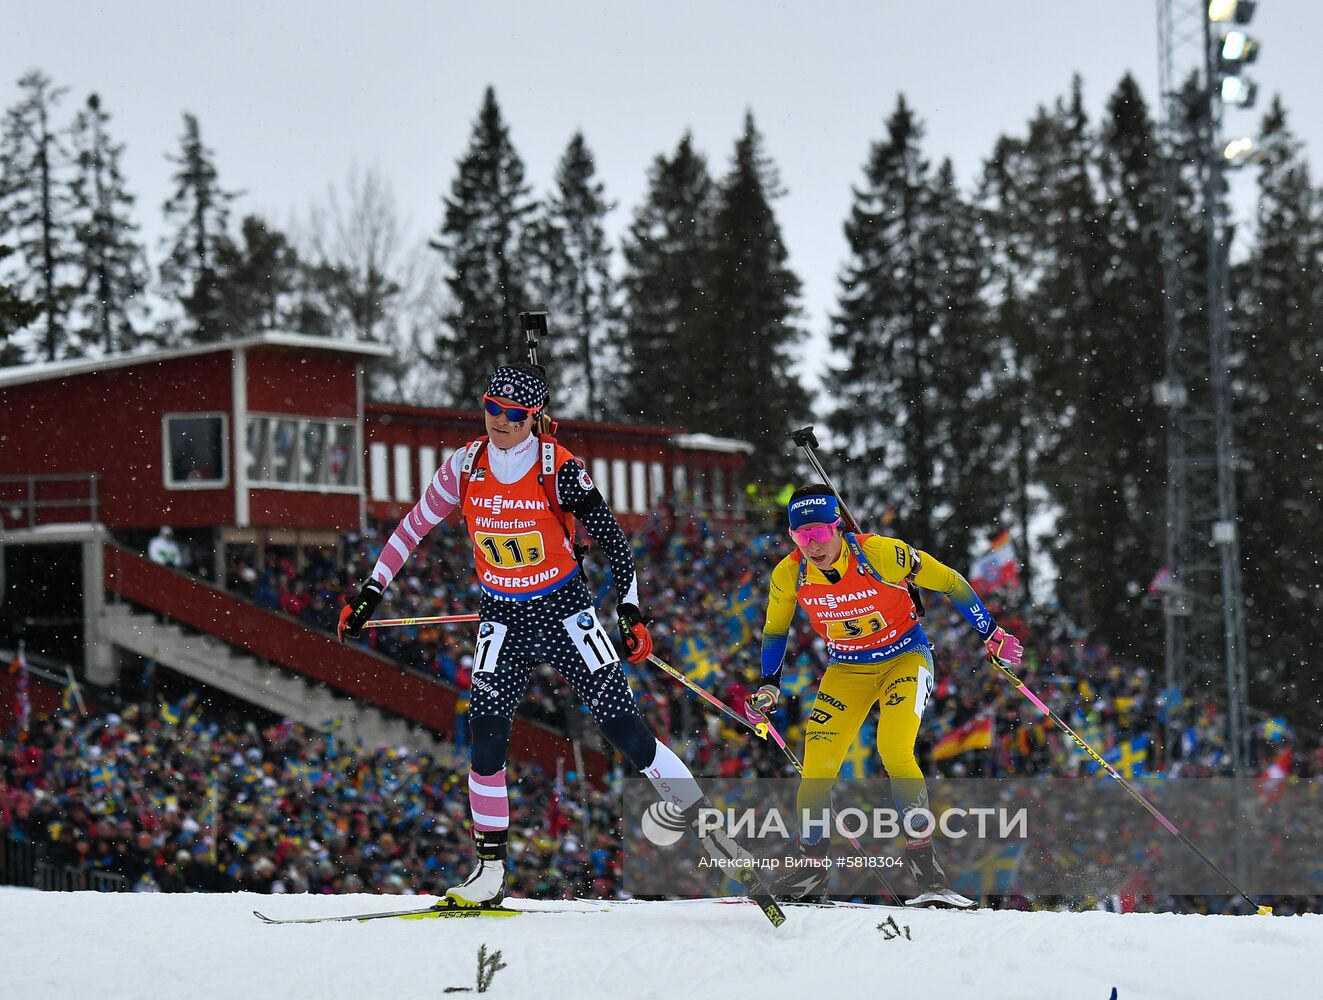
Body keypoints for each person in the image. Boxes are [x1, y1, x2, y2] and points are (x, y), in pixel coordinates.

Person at [339, 363, 746, 907]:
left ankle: (714, 837)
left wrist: (630, 612)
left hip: (564, 611)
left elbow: (615, 546)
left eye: (512, 414)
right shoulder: (465, 465)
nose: (499, 421)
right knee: (484, 736)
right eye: (491, 409)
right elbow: (413, 525)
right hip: (501, 616)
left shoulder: (560, 469)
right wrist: (371, 590)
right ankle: (489, 872)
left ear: (533, 417)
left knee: (625, 730)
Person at [744, 484, 1024, 909]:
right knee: (816, 769)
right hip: (846, 670)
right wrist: (768, 684)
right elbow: (775, 630)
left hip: (905, 658)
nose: (812, 546)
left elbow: (950, 581)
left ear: (837, 528)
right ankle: (812, 868)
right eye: (801, 537)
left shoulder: (880, 555)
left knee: (894, 750)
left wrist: (991, 633)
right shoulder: (790, 574)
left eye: (819, 533)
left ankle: (926, 870)